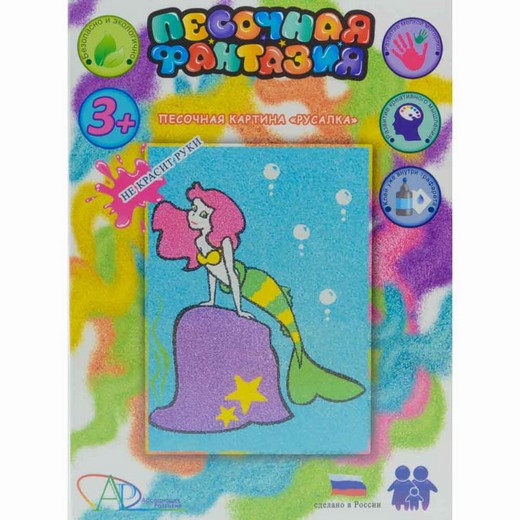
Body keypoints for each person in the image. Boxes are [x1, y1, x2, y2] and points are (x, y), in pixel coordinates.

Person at [152, 183, 366, 406]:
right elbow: (211, 272)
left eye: (203, 213)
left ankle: (303, 362)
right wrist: (211, 300)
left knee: (287, 321)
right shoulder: (199, 241)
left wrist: (239, 310)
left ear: (218, 219)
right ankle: (304, 366)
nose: (193, 216)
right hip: (238, 285)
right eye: (194, 209)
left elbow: (232, 275)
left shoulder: (224, 241)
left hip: (253, 283)